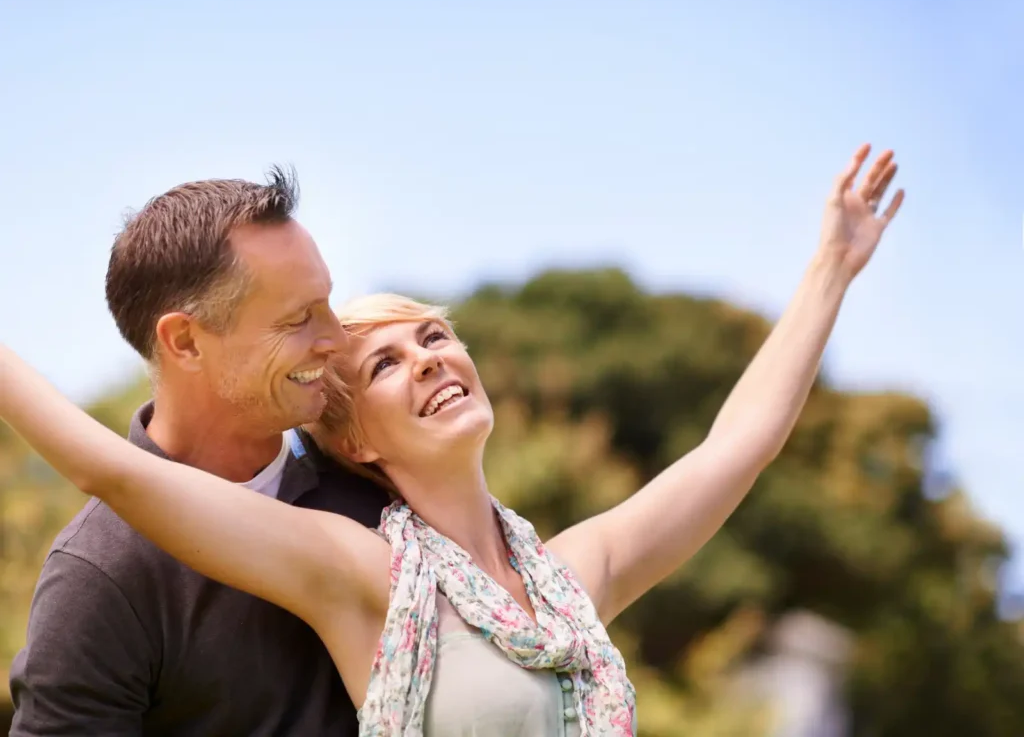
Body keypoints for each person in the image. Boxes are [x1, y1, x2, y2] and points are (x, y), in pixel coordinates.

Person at [1, 144, 903, 735]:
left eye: (434, 335)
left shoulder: (559, 584)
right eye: (382, 362)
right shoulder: (346, 566)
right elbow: (107, 470)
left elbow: (733, 449)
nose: (428, 361)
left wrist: (829, 268)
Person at [8, 169, 391, 736]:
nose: (336, 337)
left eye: (327, 303)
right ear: (185, 341)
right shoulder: (100, 575)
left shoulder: (376, 486)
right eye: (297, 318)